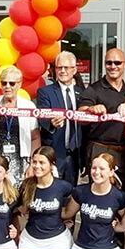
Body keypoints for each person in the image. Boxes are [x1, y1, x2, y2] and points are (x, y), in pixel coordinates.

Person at [62, 153, 125, 249]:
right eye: (94, 168)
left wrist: (118, 226)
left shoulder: (119, 196)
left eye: (102, 169)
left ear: (111, 171)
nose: (96, 172)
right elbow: (67, 213)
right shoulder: (81, 191)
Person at [14, 147, 74, 249]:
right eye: (34, 162)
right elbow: (19, 207)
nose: (37, 166)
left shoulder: (62, 186)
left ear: (52, 164)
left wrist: (67, 214)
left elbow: (77, 199)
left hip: (55, 239)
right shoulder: (27, 185)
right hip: (32, 238)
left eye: (42, 162)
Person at [78, 48, 125, 189]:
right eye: (109, 63)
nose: (113, 66)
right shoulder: (93, 89)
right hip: (99, 148)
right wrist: (91, 109)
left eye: (117, 62)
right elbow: (80, 115)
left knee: (124, 192)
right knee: (100, 194)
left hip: (123, 150)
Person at [0, 66, 40, 187]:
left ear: (19, 84)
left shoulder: (28, 106)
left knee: (18, 195)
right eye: (4, 83)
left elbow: (35, 137)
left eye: (12, 83)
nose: (8, 87)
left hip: (20, 160)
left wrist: (32, 163)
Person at [36, 52, 85, 185]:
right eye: (59, 67)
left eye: (66, 67)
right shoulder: (45, 92)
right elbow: (42, 115)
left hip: (75, 154)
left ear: (74, 70)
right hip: (54, 152)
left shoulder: (82, 92)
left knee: (71, 193)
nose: (62, 71)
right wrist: (51, 122)